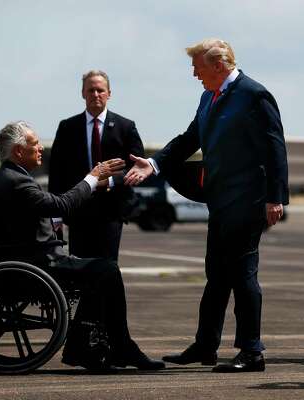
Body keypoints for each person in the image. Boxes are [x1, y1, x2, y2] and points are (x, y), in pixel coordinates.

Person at [124, 38, 289, 372]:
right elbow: (190, 139)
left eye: (197, 66)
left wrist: (276, 198)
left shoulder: (254, 94)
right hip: (221, 202)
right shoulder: (208, 97)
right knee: (216, 275)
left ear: (219, 65)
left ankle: (252, 351)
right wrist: (154, 165)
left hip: (249, 201)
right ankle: (205, 345)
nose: (194, 73)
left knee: (244, 276)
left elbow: (275, 148)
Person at [0, 121, 164, 372]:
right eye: (34, 145)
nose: (40, 150)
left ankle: (99, 346)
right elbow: (61, 205)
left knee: (100, 271)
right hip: (36, 264)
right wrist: (92, 177)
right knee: (106, 270)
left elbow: (40, 211)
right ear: (17, 151)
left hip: (26, 259)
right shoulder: (17, 181)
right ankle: (108, 347)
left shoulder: (4, 178)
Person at [48, 70, 145, 262]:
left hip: (111, 212)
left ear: (109, 93)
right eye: (90, 90)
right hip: (78, 212)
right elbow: (57, 172)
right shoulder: (67, 127)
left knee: (107, 269)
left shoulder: (125, 127)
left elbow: (138, 168)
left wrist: (108, 181)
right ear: (82, 93)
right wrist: (56, 215)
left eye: (100, 90)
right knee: (79, 268)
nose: (95, 94)